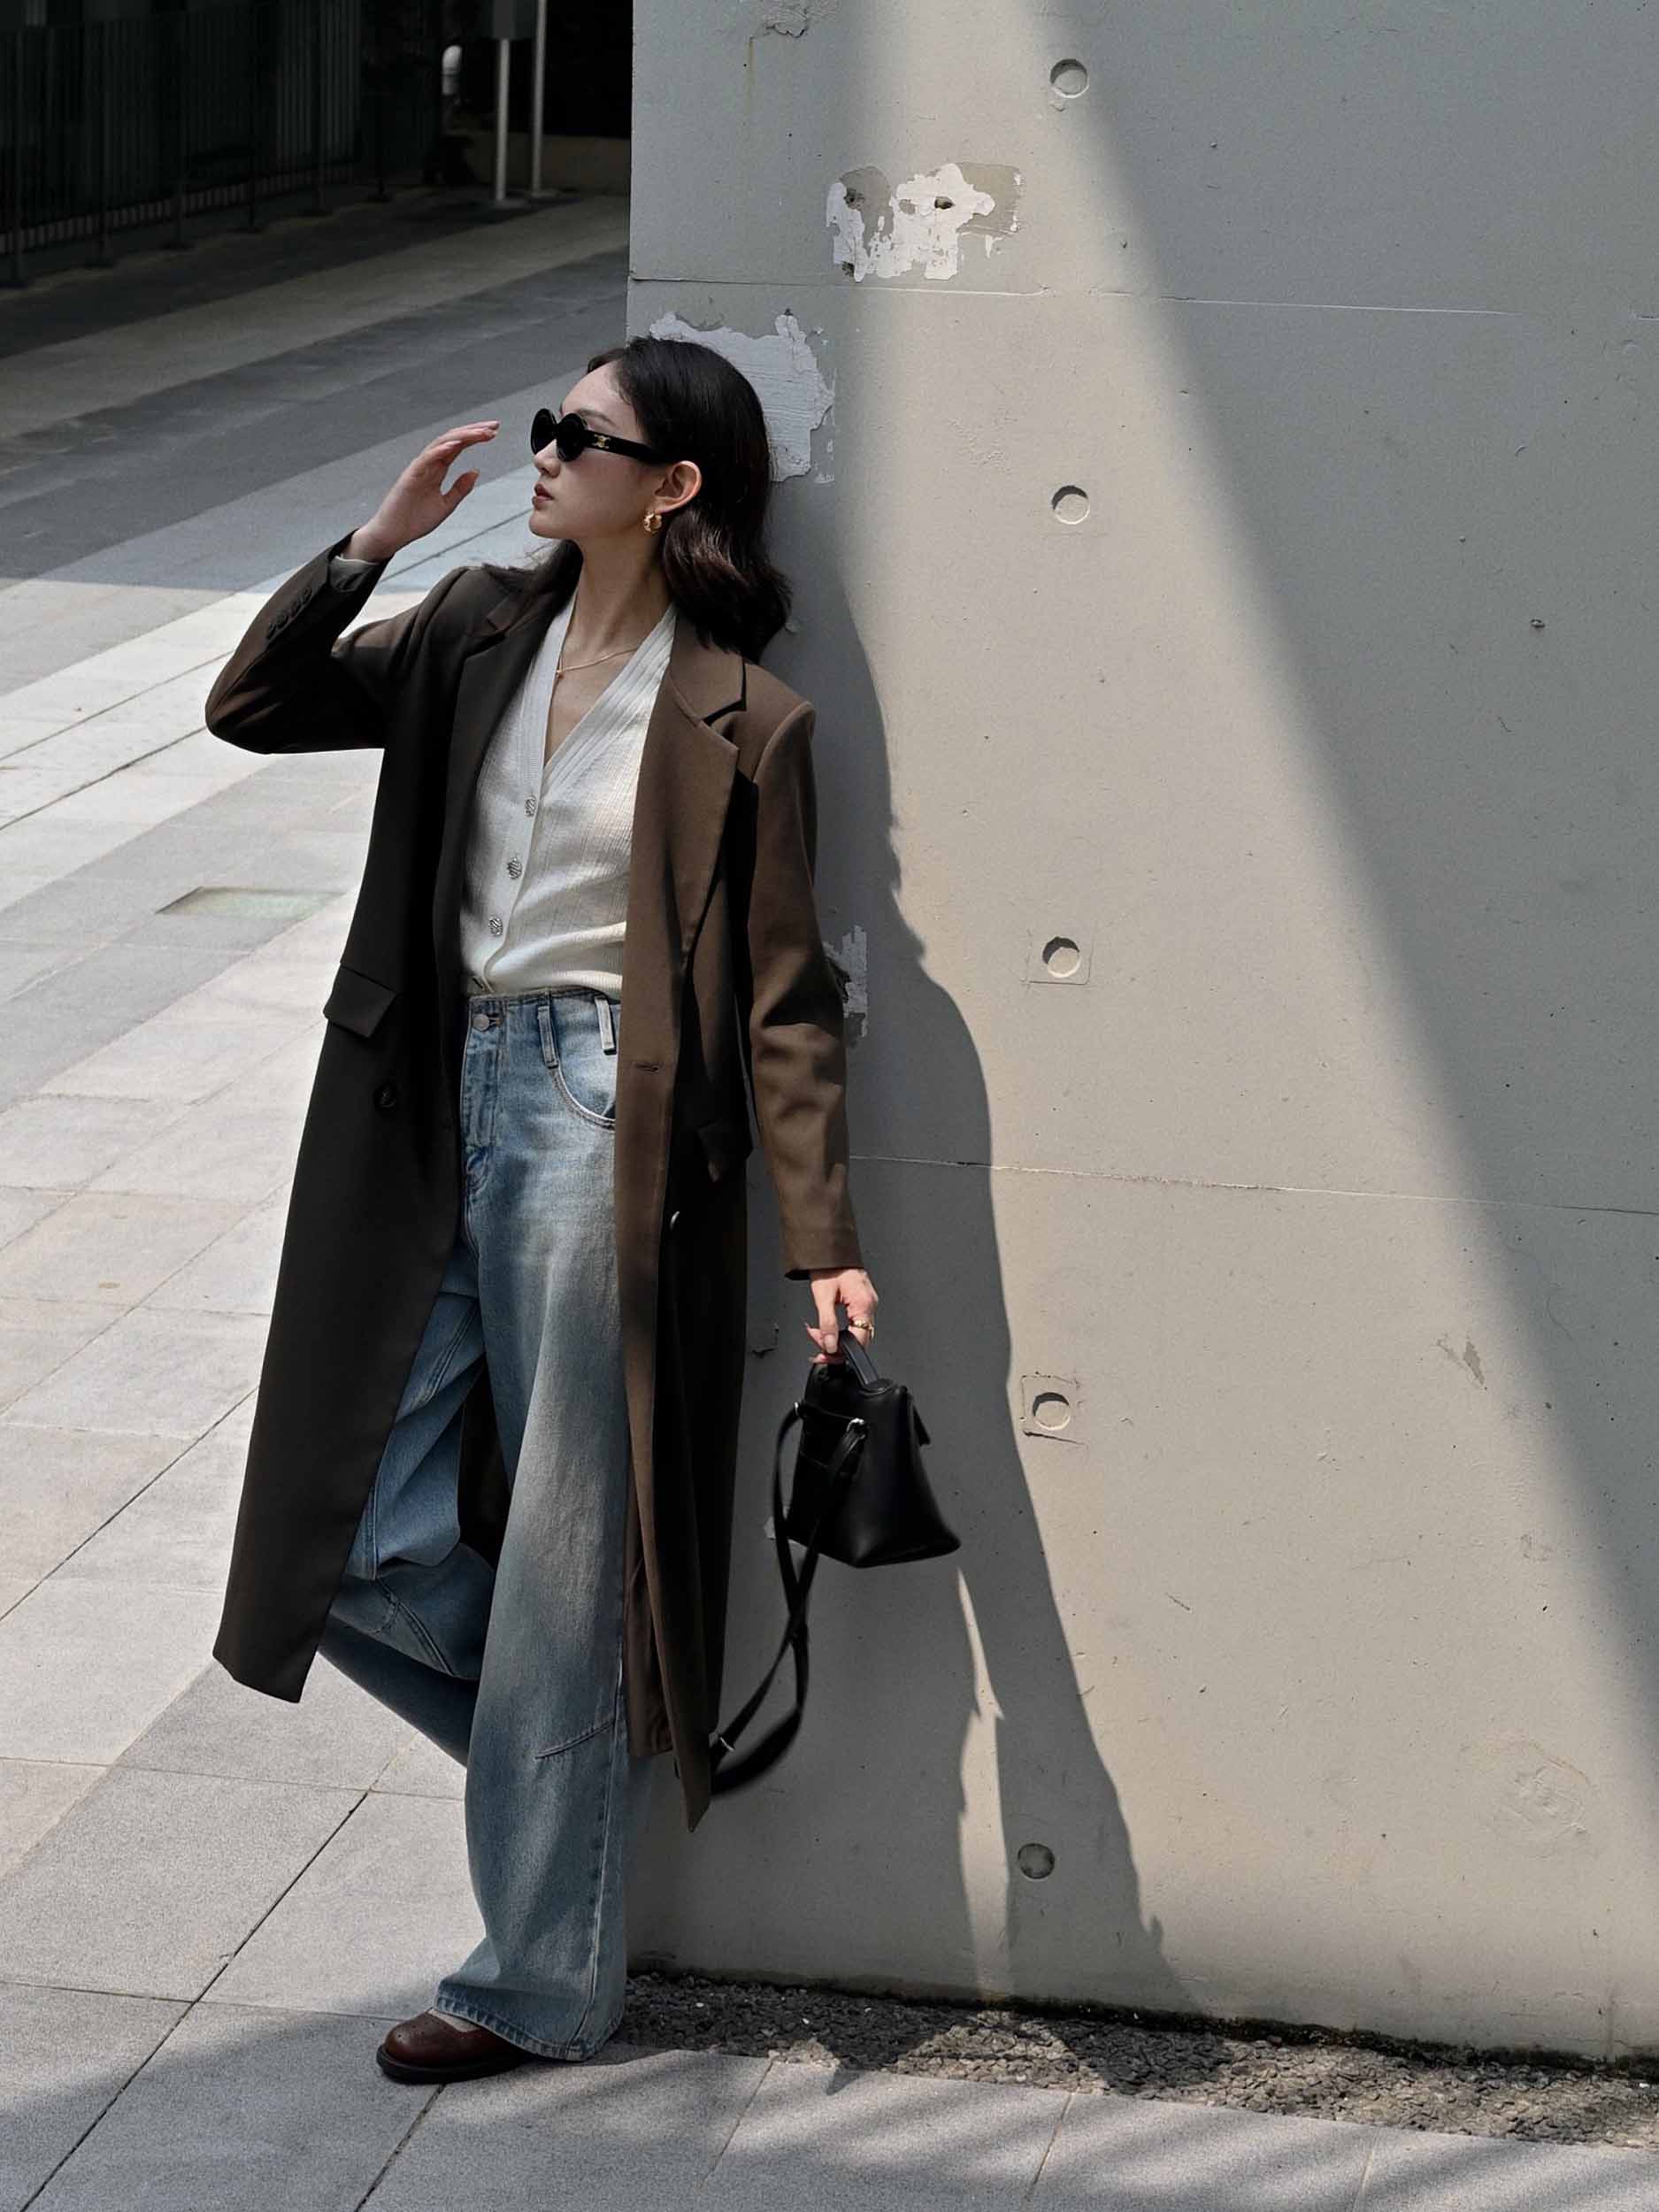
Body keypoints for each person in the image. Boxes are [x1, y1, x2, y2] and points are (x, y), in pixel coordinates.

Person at [202, 335, 878, 2085]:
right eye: (550, 424)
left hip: (602, 1116)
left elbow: (786, 999)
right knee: (357, 1537)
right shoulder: (470, 625)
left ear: (673, 488)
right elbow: (255, 707)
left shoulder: (742, 716)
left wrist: (823, 1236)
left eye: (585, 433)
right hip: (427, 1098)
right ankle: (565, 1753)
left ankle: (536, 1981)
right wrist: (372, 545)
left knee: (572, 1552)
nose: (546, 449)